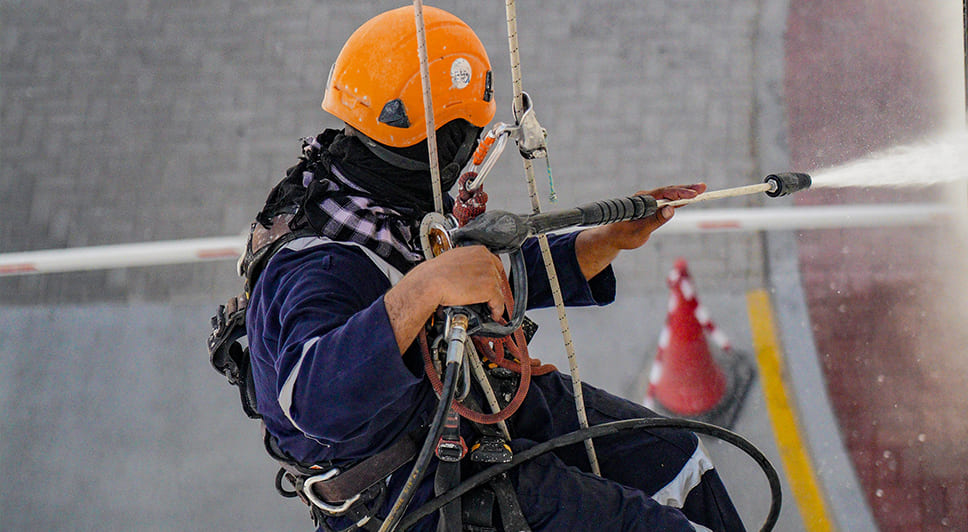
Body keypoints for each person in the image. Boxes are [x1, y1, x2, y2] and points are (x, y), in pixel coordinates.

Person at [243, 5, 746, 531]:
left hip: (462, 403)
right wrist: (426, 287)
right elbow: (317, 402)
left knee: (674, 457)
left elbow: (482, 276)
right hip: (403, 485)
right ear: (442, 142)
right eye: (468, 136)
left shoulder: (379, 200)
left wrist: (605, 240)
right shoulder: (318, 266)